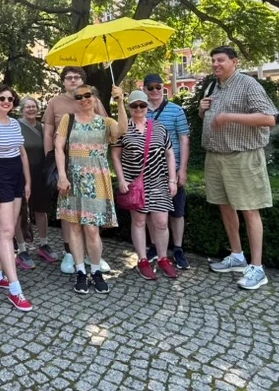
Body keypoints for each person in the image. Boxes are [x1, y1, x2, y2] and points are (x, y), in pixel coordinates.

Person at [200, 46, 279, 291]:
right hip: (216, 157)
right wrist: (203, 111)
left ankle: (257, 268)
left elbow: (269, 118)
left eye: (221, 60)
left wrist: (230, 117)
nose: (215, 64)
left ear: (235, 61)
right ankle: (237, 256)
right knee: (224, 206)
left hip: (243, 156)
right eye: (213, 60)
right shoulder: (214, 86)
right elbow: (211, 119)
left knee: (249, 210)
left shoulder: (248, 84)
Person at [54, 83, 127, 295]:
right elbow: (59, 148)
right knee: (75, 227)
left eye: (88, 95)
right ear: (75, 100)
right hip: (73, 180)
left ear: (95, 98)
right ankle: (80, 271)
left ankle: (95, 271)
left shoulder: (106, 122)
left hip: (97, 181)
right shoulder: (69, 120)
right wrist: (61, 175)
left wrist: (121, 101)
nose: (84, 99)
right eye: (79, 97)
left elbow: (122, 130)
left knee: (93, 229)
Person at [42, 66, 112, 275]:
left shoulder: (91, 98)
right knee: (69, 213)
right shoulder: (55, 102)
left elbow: (106, 127)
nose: (73, 80)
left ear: (83, 80)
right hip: (63, 160)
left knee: (91, 211)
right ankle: (69, 253)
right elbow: (48, 133)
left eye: (77, 77)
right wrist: (50, 160)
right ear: (63, 81)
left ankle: (93, 255)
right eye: (69, 78)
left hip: (89, 162)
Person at [0, 84, 34, 311]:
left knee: (7, 230)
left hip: (16, 175)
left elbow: (22, 153)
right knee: (8, 232)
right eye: (2, 98)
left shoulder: (14, 124)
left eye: (11, 99)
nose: (7, 102)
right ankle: (15, 289)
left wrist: (28, 181)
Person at [113, 90, 178, 280]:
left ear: (147, 106)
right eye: (134, 106)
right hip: (135, 183)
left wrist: (172, 179)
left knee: (161, 223)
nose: (138, 109)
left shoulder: (158, 127)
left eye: (142, 105)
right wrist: (122, 179)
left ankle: (163, 257)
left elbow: (170, 154)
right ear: (129, 107)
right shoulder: (123, 129)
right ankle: (142, 259)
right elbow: (115, 157)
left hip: (158, 181)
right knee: (139, 221)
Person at [143, 73, 192, 270]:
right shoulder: (140, 110)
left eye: (158, 87)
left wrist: (183, 169)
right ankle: (155, 246)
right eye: (151, 87)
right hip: (148, 171)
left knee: (176, 212)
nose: (155, 91)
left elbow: (184, 139)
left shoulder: (176, 110)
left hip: (172, 169)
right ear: (145, 89)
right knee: (149, 212)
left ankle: (178, 249)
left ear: (162, 88)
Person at [18, 97, 58, 265]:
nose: (31, 109)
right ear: (22, 109)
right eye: (27, 107)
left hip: (40, 174)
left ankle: (43, 244)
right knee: (19, 212)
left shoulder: (43, 128)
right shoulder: (16, 126)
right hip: (20, 173)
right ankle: (21, 249)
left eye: (34, 106)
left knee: (42, 210)